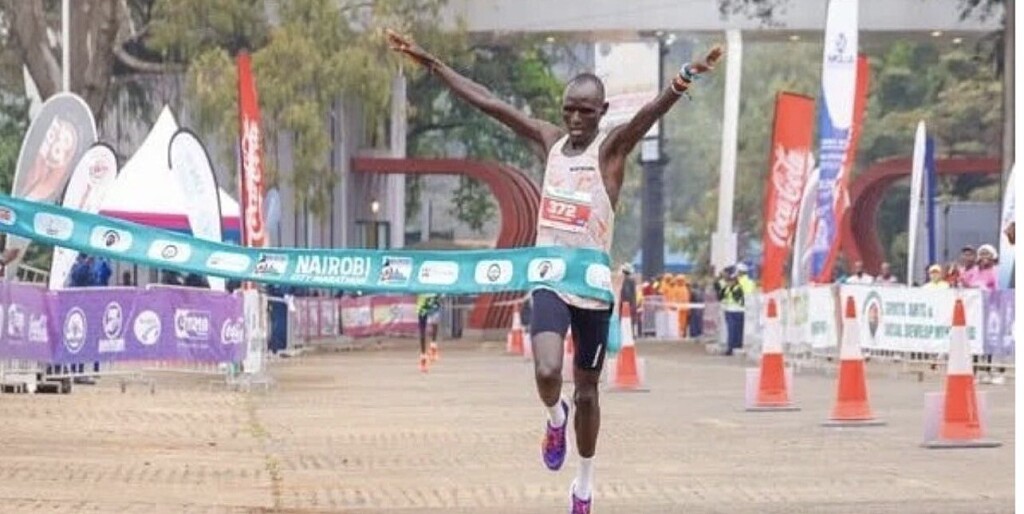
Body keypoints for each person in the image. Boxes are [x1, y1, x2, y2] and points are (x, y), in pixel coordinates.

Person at [388, 29, 722, 512]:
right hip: (550, 279)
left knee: (588, 394)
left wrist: (685, 76)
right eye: (569, 110)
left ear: (602, 112)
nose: (575, 119)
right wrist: (432, 63)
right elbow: (490, 103)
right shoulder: (550, 141)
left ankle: (583, 484)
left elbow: (650, 113)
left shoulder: (611, 150)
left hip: (592, 289)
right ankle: (553, 417)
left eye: (585, 111)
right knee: (547, 371)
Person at [415, 293, 442, 372]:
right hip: (423, 301)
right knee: (422, 330)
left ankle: (433, 346)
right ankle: (423, 357)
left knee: (435, 322)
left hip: (433, 298)